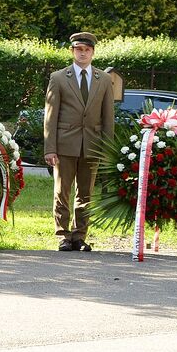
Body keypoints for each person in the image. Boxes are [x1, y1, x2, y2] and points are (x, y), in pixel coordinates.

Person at [43, 31, 115, 252]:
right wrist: (50, 148)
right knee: (62, 191)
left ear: (93, 52)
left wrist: (107, 149)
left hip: (92, 144)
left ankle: (79, 236)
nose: (83, 53)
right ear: (72, 51)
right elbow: (50, 115)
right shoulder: (58, 78)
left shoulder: (103, 79)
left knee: (86, 193)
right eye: (79, 49)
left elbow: (108, 116)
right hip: (65, 144)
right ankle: (63, 236)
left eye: (87, 49)